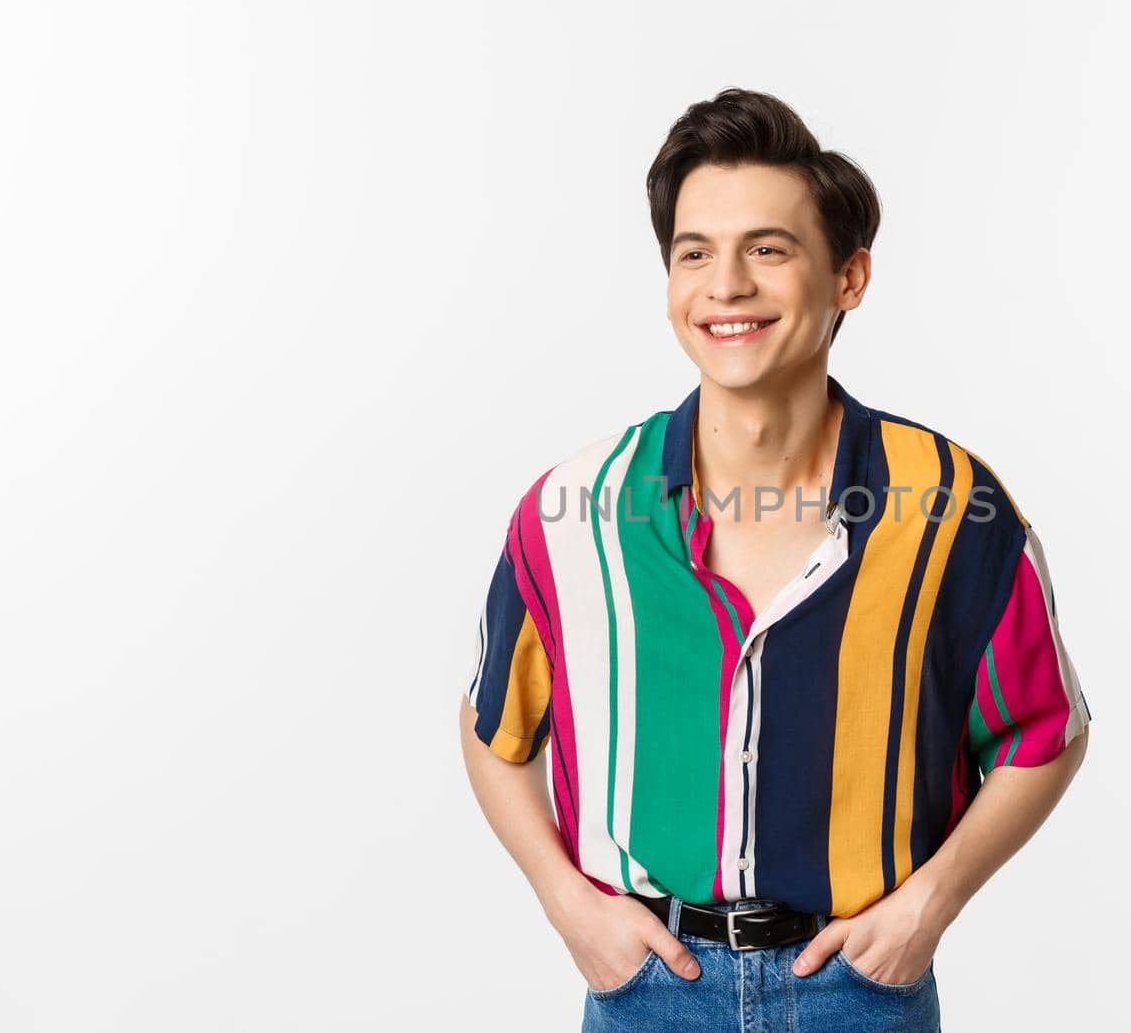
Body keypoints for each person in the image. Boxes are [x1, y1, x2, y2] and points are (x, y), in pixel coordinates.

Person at [458, 87, 1094, 1032]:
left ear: (849, 278)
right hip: (645, 994)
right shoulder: (572, 513)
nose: (726, 286)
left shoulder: (958, 508)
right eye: (694, 253)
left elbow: (1047, 729)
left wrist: (930, 903)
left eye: (768, 249)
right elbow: (493, 728)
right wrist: (568, 903)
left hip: (859, 992)